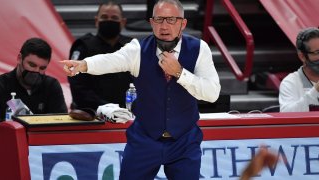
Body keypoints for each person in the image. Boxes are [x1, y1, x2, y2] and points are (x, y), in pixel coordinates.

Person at [61, 0, 221, 179]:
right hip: (144, 140)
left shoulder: (199, 49)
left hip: (184, 141)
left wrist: (180, 73)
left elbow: (212, 93)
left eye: (171, 20)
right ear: (152, 23)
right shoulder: (137, 49)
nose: (164, 26)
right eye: (159, 20)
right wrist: (83, 64)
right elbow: (112, 60)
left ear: (182, 23)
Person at [68, 1, 133, 110]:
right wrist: (108, 107)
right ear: (96, 21)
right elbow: (78, 88)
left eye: (114, 18)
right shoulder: (83, 47)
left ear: (123, 22)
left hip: (128, 114)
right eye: (104, 17)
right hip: (93, 116)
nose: (109, 20)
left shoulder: (131, 48)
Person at [0, 38, 67, 121]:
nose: (36, 71)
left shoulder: (51, 86)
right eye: (32, 65)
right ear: (19, 58)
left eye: (42, 68)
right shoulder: (1, 85)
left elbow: (61, 124)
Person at [279, 27, 319, 112]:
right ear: (302, 56)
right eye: (317, 52)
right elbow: (286, 115)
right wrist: (315, 90)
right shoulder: (290, 82)